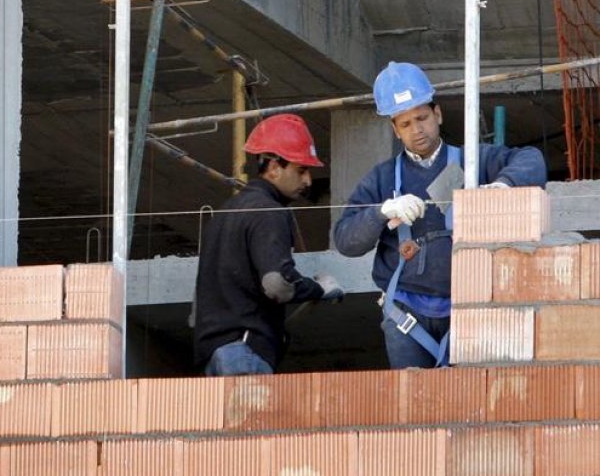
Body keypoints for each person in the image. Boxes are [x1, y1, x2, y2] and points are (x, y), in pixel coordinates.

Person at [333, 62, 546, 369]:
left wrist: (502, 185)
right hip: (406, 315)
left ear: (438, 114)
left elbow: (532, 159)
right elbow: (345, 240)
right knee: (415, 407)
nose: (416, 129)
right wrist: (381, 212)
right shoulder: (381, 180)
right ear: (395, 129)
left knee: (468, 402)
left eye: (421, 118)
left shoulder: (473, 162)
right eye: (405, 124)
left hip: (469, 306)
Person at [193, 114, 344, 377]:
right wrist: (318, 288)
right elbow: (277, 285)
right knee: (253, 420)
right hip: (244, 351)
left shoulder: (224, 214)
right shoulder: (269, 211)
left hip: (213, 354)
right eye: (301, 170)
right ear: (274, 167)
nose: (308, 181)